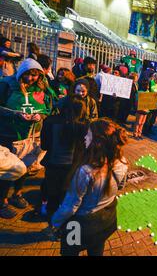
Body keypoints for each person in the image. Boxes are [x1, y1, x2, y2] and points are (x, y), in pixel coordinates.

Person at [48, 119, 128, 256]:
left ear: (97, 142)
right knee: (97, 249)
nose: (85, 137)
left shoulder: (86, 171)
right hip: (106, 220)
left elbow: (70, 206)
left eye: (88, 134)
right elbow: (121, 186)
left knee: (70, 252)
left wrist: (55, 222)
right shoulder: (122, 162)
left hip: (81, 225)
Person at [0, 59, 53, 218]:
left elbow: (49, 109)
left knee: (25, 166)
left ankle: (17, 193)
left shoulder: (42, 88)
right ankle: (2, 201)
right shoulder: (7, 85)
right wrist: (15, 114)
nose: (31, 79)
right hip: (9, 135)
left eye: (35, 75)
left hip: (31, 136)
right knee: (8, 168)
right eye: (28, 74)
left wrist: (41, 115)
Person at [40, 96, 89, 219]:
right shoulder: (84, 125)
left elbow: (44, 146)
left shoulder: (50, 121)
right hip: (73, 165)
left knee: (51, 188)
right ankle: (62, 214)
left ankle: (48, 210)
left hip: (53, 162)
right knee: (67, 189)